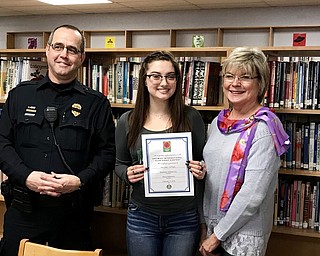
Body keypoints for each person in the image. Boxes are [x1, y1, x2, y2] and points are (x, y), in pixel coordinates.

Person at [0, 24, 115, 256]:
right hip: (24, 212)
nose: (64, 54)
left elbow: (106, 155)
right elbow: (2, 144)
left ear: (81, 57)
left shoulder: (96, 103)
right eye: (58, 46)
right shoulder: (20, 95)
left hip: (72, 216)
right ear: (47, 50)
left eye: (72, 50)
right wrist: (27, 176)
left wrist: (79, 181)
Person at [199, 47, 290, 256]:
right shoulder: (218, 122)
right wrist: (205, 226)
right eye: (229, 76)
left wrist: (217, 236)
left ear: (261, 83)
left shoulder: (265, 128)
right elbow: (213, 173)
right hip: (212, 230)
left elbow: (253, 194)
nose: (235, 83)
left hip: (243, 236)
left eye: (245, 77)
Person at [115, 50, 206, 256]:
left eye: (170, 76)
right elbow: (119, 163)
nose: (163, 82)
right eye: (156, 76)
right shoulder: (127, 121)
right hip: (142, 216)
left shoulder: (192, 117)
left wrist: (200, 170)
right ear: (145, 80)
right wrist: (127, 174)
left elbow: (203, 162)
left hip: (183, 217)